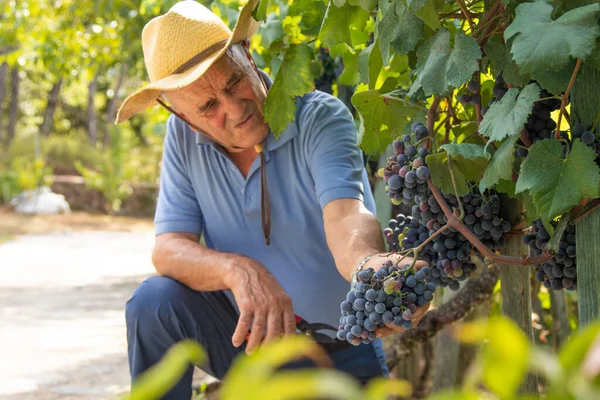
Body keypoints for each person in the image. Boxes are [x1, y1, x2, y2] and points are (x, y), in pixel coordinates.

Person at [116, 1, 429, 398]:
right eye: (209, 106)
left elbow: (345, 215)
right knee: (153, 303)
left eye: (233, 82)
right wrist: (237, 270)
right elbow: (168, 250)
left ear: (247, 54)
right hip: (249, 347)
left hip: (339, 350)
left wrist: (370, 265)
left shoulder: (320, 117)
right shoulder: (181, 141)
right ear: (181, 115)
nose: (233, 108)